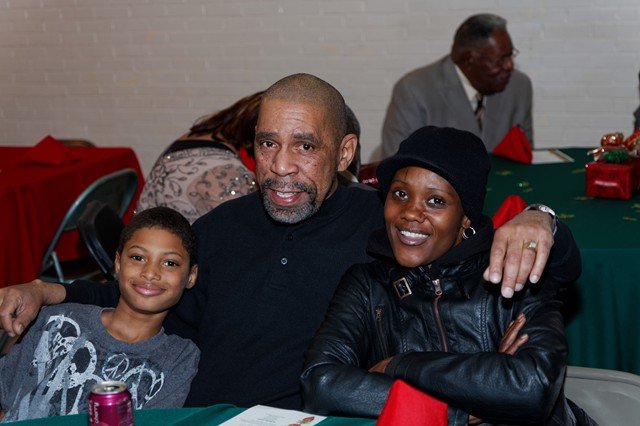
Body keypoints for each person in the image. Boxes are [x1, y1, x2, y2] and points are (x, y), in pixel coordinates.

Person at [0, 74, 578, 410]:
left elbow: (496, 257)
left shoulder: (386, 226)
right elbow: (143, 294)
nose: (280, 167)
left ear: (344, 153)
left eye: (305, 146)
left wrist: (542, 218)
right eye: (267, 143)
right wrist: (47, 289)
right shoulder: (219, 228)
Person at [301, 126, 592, 425]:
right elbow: (320, 382)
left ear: (465, 217)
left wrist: (399, 366)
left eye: (435, 201)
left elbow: (531, 388)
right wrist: (462, 408)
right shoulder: (367, 285)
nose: (410, 212)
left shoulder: (513, 274)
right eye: (400, 194)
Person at [0, 207, 200, 421]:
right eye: (138, 257)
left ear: (191, 276)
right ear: (118, 263)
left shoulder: (179, 357)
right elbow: (6, 399)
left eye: (170, 263)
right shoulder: (58, 320)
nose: (150, 273)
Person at [381, 13, 533, 157]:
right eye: (500, 60)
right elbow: (397, 161)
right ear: (469, 60)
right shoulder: (414, 90)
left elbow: (525, 154)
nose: (509, 65)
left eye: (510, 55)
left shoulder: (519, 86)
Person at [136, 91, 262, 223]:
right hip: (169, 232)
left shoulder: (193, 137)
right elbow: (243, 226)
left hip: (145, 228)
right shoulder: (229, 174)